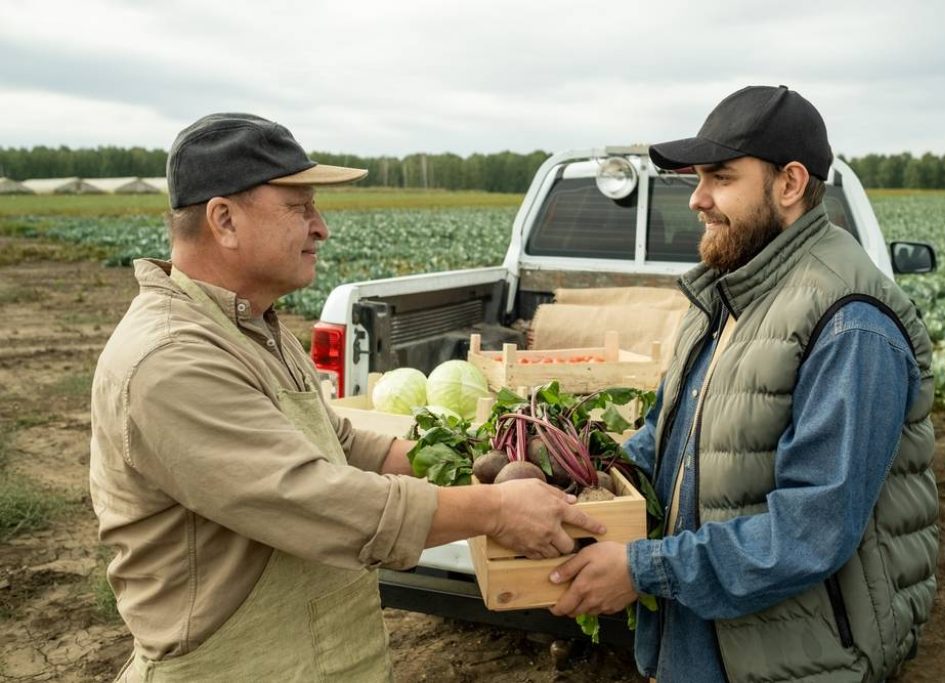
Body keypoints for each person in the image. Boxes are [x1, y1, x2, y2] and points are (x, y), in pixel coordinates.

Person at [89, 112, 605, 682]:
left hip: (318, 653)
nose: (321, 227)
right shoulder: (170, 360)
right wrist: (495, 510)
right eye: (299, 207)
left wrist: (472, 456)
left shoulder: (248, 325)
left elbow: (340, 443)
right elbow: (310, 498)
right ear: (224, 220)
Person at [547, 86, 937, 682]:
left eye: (721, 177)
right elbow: (669, 441)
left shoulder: (849, 321)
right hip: (702, 638)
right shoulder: (731, 292)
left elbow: (811, 530)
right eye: (697, 178)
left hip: (794, 656)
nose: (698, 200)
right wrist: (590, 477)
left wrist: (642, 570)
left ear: (789, 184)